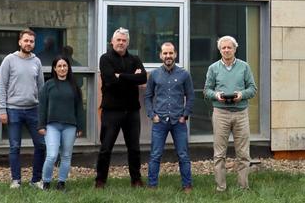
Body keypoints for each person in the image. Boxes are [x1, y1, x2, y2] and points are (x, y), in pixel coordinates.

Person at [95, 27, 147, 188]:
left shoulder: (135, 59)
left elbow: (143, 78)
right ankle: (100, 180)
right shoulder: (105, 59)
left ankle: (136, 180)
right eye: (118, 40)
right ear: (112, 41)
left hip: (132, 111)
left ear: (128, 43)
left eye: (124, 40)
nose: (121, 43)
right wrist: (132, 77)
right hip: (111, 111)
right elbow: (110, 81)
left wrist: (121, 76)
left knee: (134, 148)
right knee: (106, 148)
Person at [203, 35, 257, 191]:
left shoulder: (244, 67)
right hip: (221, 113)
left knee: (243, 154)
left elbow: (252, 89)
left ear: (235, 48)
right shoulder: (213, 68)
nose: (226, 50)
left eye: (229, 47)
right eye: (223, 48)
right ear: (219, 50)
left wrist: (241, 95)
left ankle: (243, 187)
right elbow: (207, 90)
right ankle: (221, 187)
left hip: (241, 113)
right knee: (219, 154)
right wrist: (216, 96)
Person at [0, 29, 45, 189]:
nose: (28, 44)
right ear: (20, 42)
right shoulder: (9, 60)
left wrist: (43, 110)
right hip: (13, 110)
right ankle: (16, 180)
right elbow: (1, 86)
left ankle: (36, 180)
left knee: (40, 144)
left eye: (31, 41)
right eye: (26, 41)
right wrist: (2, 109)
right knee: (14, 146)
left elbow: (41, 87)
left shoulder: (37, 61)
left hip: (34, 110)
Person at [144, 42, 194, 192]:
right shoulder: (154, 75)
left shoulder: (184, 74)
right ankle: (152, 185)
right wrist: (152, 115)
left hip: (178, 121)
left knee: (183, 154)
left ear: (175, 54)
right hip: (160, 121)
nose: (168, 56)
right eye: (165, 53)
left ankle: (187, 185)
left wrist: (185, 115)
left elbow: (191, 96)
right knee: (155, 154)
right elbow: (147, 96)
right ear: (160, 55)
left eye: (171, 53)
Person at [37, 56, 84, 192]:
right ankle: (46, 182)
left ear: (68, 68)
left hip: (70, 126)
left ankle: (61, 183)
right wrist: (41, 125)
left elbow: (79, 108)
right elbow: (42, 106)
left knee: (66, 156)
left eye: (65, 66)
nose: (62, 68)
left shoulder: (74, 86)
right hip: (52, 126)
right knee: (51, 155)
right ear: (54, 68)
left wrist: (80, 126)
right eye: (59, 66)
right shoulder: (48, 85)